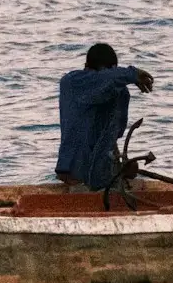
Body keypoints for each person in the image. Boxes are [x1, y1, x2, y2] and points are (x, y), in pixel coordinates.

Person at [54, 43, 154, 191]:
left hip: (101, 174)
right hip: (76, 175)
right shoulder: (72, 82)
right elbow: (104, 79)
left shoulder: (119, 92)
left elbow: (113, 135)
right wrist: (132, 74)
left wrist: (121, 166)